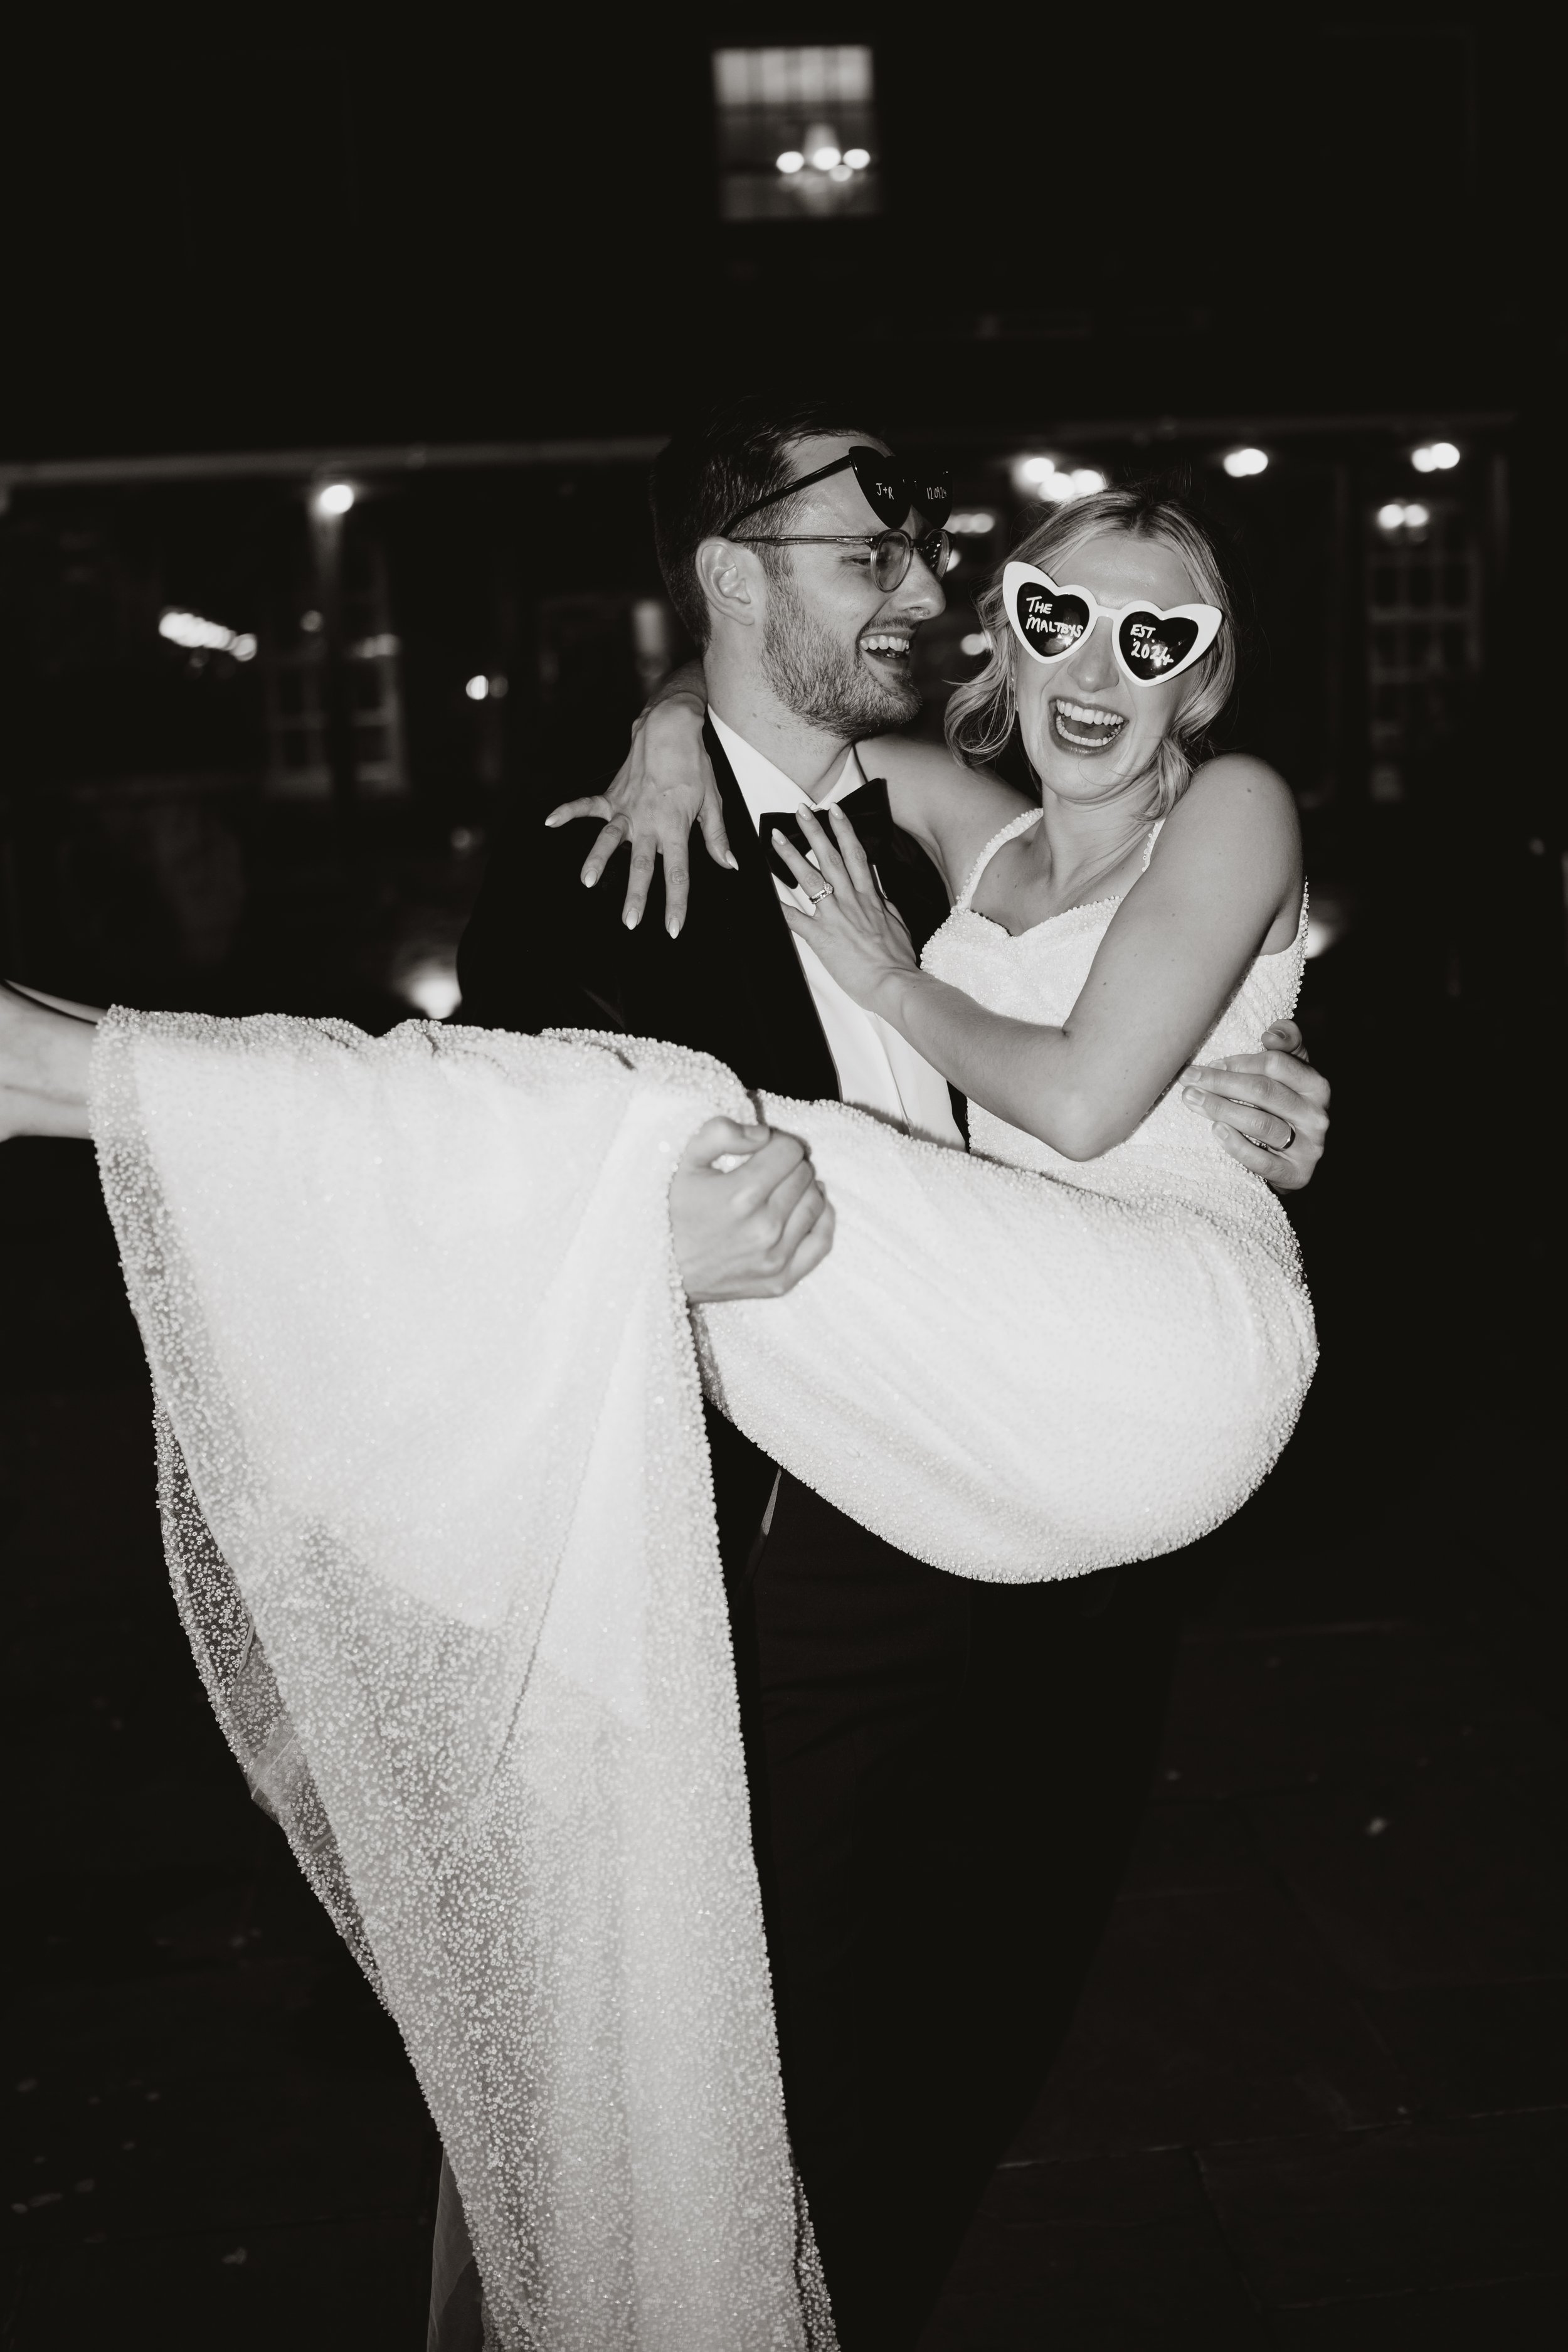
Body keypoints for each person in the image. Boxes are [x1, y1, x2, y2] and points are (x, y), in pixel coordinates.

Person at [453, 399, 1329, 2347]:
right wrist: (670, 719)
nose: (1090, 662)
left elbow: (1108, 1073)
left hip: (1107, 1441)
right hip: (847, 1521)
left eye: (1160, 636)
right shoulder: (857, 833)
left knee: (991, 2014)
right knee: (823, 2038)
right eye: (1044, 611)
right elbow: (796, 764)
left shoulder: (1129, 818)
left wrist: (909, 985)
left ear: (1210, 675)